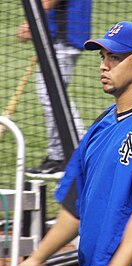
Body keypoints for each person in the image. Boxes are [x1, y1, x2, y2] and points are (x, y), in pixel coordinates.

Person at [14, 21, 132, 266]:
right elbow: (76, 202)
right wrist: (39, 257)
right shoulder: (102, 124)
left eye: (115, 57)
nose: (104, 65)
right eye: (103, 56)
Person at [17, 0, 92, 179]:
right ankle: (70, 154)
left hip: (64, 37)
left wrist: (32, 20)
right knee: (53, 94)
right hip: (62, 35)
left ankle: (66, 157)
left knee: (52, 95)